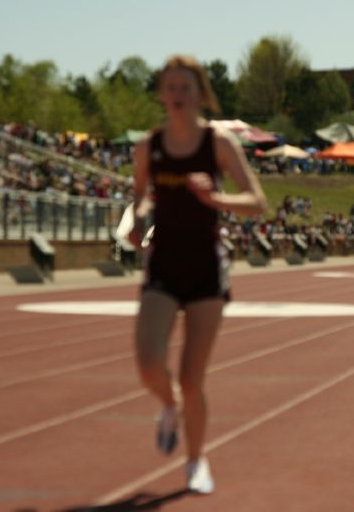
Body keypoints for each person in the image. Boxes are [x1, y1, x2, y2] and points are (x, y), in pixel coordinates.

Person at [130, 55, 267, 494]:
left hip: (207, 269)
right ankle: (168, 407)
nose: (176, 95)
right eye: (169, 87)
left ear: (200, 93)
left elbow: (257, 201)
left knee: (192, 377)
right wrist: (137, 222)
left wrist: (218, 201)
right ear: (161, 94)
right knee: (150, 364)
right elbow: (141, 200)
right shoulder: (148, 146)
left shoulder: (219, 143)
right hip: (163, 265)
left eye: (185, 87)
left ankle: (195, 461)